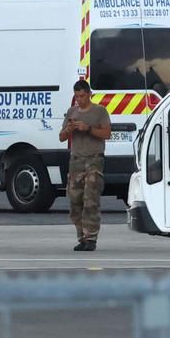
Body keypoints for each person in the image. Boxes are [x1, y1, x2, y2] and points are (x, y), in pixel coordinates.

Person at [59, 79, 110, 251]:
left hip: (94, 160)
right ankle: (81, 236)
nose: (79, 100)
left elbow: (107, 133)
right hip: (76, 161)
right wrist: (69, 129)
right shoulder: (72, 111)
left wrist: (88, 128)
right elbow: (61, 137)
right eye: (76, 97)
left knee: (90, 200)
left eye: (82, 96)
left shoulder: (99, 111)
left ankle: (91, 237)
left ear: (89, 94)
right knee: (75, 201)